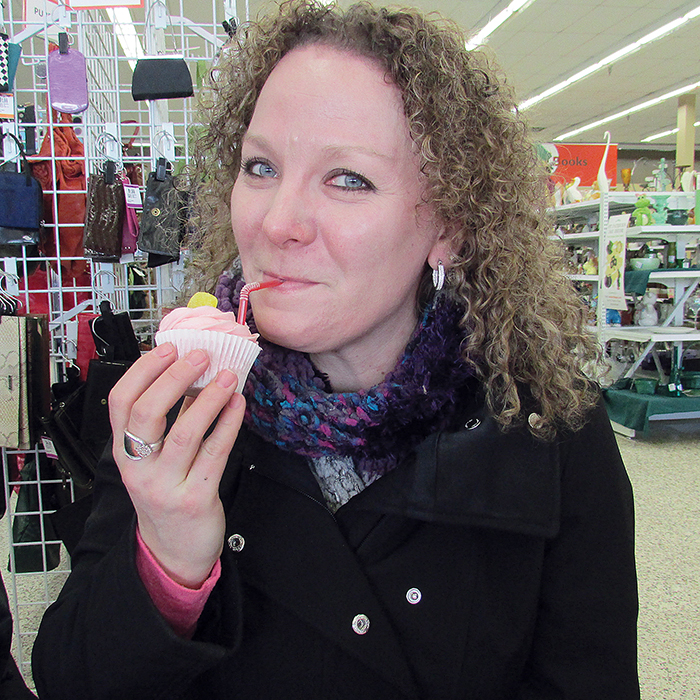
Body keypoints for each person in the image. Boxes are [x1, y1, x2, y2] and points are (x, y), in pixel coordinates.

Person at [32, 2, 639, 698]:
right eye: (259, 167)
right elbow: (69, 679)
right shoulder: (179, 403)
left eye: (348, 178)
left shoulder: (547, 429)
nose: (277, 221)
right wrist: (167, 560)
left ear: (448, 225)